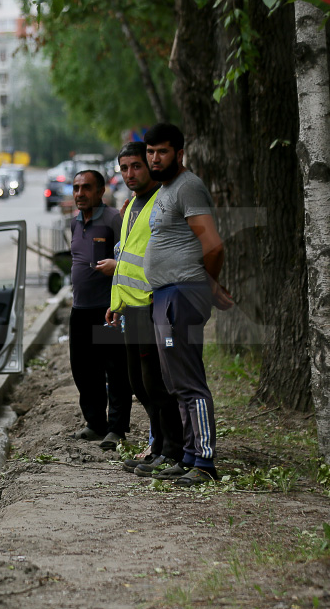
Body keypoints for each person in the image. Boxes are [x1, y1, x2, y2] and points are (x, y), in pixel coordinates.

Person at [142, 123, 233, 486]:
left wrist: (207, 285)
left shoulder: (188, 186)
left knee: (189, 381)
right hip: (166, 294)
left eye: (162, 152)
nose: (154, 158)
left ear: (179, 154)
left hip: (182, 292)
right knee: (175, 380)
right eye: (150, 152)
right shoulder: (166, 189)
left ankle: (205, 463)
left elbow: (213, 245)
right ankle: (189, 456)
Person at [104, 143, 185, 477]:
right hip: (132, 308)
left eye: (136, 166)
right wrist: (117, 304)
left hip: (155, 305)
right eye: (124, 168)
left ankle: (173, 451)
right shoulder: (131, 206)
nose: (129, 174)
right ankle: (157, 447)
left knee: (157, 383)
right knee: (139, 382)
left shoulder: (161, 203)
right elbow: (126, 258)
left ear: (150, 164)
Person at [67, 169, 131, 450]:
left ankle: (116, 429)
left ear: (101, 191)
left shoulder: (114, 219)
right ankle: (95, 424)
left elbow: (128, 258)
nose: (80, 193)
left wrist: (120, 304)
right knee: (83, 369)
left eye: (86, 188)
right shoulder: (74, 223)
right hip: (80, 309)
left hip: (107, 309)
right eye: (76, 188)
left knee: (115, 371)